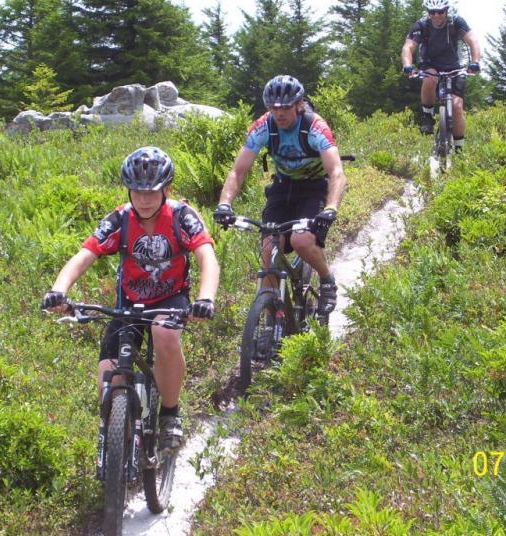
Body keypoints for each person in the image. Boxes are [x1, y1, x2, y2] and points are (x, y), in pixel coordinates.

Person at [41, 146, 219, 452]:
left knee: (164, 334)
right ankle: (120, 450)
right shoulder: (120, 219)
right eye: (137, 192)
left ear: (167, 189)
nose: (144, 199)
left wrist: (205, 298)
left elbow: (207, 257)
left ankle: (170, 414)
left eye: (151, 191)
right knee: (108, 380)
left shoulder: (181, 216)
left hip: (170, 297)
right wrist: (59, 290)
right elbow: (84, 255)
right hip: (129, 300)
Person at [212, 75, 346, 315]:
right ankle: (270, 322)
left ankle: (327, 279)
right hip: (283, 187)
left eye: (285, 107)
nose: (279, 113)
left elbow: (336, 172)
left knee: (301, 240)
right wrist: (224, 204)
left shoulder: (315, 126)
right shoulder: (264, 126)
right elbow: (238, 171)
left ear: (299, 104)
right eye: (273, 108)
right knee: (269, 248)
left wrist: (331, 208)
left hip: (314, 187)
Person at [400, 0, 482, 152]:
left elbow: (473, 41)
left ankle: (459, 149)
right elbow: (408, 47)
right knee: (430, 79)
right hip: (430, 64)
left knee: (457, 106)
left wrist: (475, 62)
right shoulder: (422, 25)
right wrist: (408, 66)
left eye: (440, 11)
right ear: (428, 12)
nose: (436, 15)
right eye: (432, 12)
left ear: (446, 10)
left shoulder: (456, 22)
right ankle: (427, 116)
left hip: (454, 67)